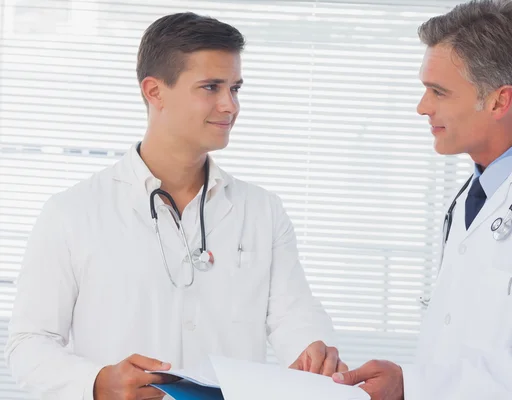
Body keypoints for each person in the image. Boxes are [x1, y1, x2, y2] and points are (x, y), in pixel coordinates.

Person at [5, 12, 346, 399]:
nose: (229, 106)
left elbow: (293, 316)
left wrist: (313, 350)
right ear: (154, 91)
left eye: (235, 88)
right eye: (211, 87)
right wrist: (98, 382)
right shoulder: (71, 213)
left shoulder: (263, 212)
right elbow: (29, 344)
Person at [333, 0, 512, 399]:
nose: (422, 107)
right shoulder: (475, 195)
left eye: (438, 92)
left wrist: (414, 385)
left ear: (499, 101)